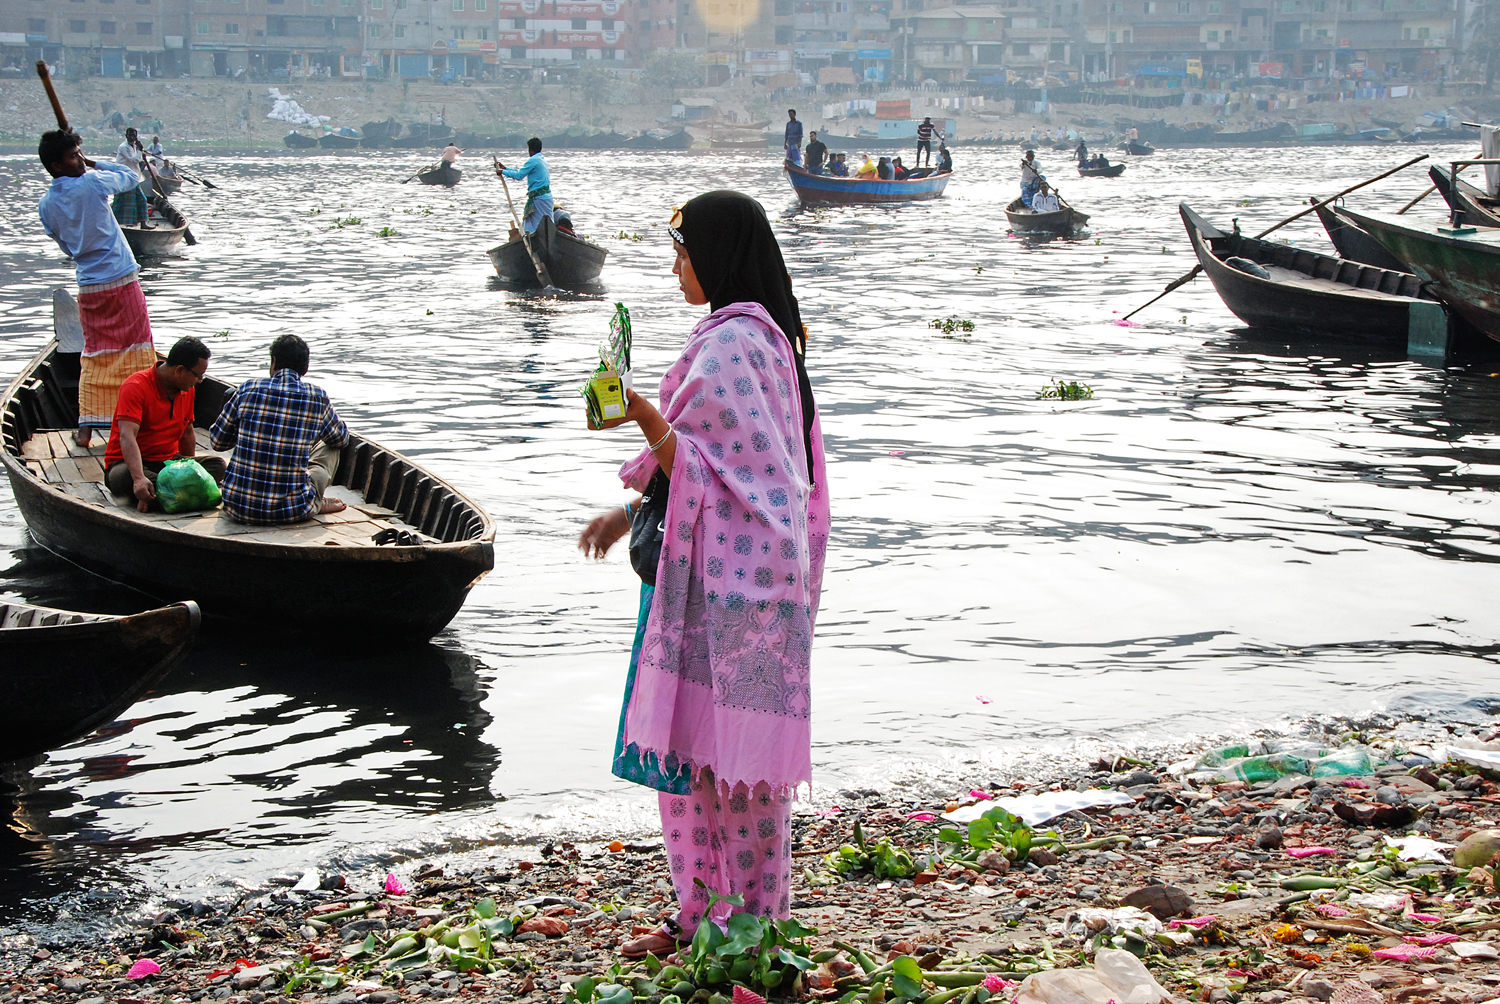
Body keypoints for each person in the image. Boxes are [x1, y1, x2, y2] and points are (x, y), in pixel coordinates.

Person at [576, 191, 827, 960]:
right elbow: (732, 466)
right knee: (704, 760)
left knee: (736, 770)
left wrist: (641, 412)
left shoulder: (732, 346)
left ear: (717, 255)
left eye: (683, 252)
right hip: (742, 575)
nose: (676, 267)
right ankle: (714, 922)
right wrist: (627, 514)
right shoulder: (767, 336)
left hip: (737, 589)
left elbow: (712, 468)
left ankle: (744, 925)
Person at [38, 129, 160, 448]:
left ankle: (86, 428)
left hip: (89, 284)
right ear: (56, 165)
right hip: (120, 277)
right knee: (138, 348)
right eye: (73, 156)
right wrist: (96, 162)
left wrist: (83, 162)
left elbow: (66, 246)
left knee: (95, 353)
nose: (79, 159)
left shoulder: (46, 205)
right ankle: (145, 420)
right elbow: (130, 176)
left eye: (80, 153)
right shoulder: (92, 182)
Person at [209, 334, 350, 525]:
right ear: (305, 368)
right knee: (331, 445)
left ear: (273, 362)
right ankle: (315, 501)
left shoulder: (248, 389)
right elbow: (341, 439)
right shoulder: (317, 396)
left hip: (237, 506)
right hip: (292, 510)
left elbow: (217, 442)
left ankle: (309, 495)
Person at [103, 336, 225, 512]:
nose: (199, 381)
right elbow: (127, 435)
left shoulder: (187, 390)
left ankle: (162, 496)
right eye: (198, 375)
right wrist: (138, 478)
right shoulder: (136, 386)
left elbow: (187, 432)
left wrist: (188, 473)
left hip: (167, 462)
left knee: (218, 466)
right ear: (180, 370)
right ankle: (160, 492)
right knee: (124, 478)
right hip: (129, 464)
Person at [495, 137, 553, 236]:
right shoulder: (541, 159)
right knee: (545, 225)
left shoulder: (533, 160)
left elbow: (519, 176)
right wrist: (506, 169)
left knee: (532, 226)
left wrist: (502, 172)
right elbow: (520, 171)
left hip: (539, 199)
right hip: (546, 198)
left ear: (530, 149)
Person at [112, 127, 150, 227]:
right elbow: (133, 160)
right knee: (128, 202)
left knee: (142, 199)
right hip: (124, 176)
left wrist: (140, 150)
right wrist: (139, 151)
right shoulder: (123, 147)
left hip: (133, 177)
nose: (132, 137)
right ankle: (124, 225)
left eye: (134, 135)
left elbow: (139, 159)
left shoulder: (134, 146)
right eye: (130, 135)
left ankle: (143, 223)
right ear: (126, 136)